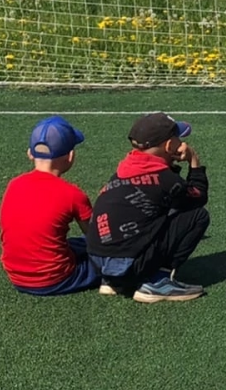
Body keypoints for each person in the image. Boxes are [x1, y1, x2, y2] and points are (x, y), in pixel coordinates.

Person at [85, 112, 210, 302]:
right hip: (129, 265)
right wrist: (193, 159)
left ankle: (112, 281)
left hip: (97, 261)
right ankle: (157, 282)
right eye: (178, 138)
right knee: (197, 216)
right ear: (169, 145)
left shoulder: (122, 170)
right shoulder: (166, 179)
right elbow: (198, 196)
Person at [0, 115, 101, 295]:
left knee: (77, 244)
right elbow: (98, 238)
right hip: (56, 279)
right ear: (70, 156)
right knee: (112, 258)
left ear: (30, 153)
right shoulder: (72, 194)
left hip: (16, 276)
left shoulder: (14, 184)